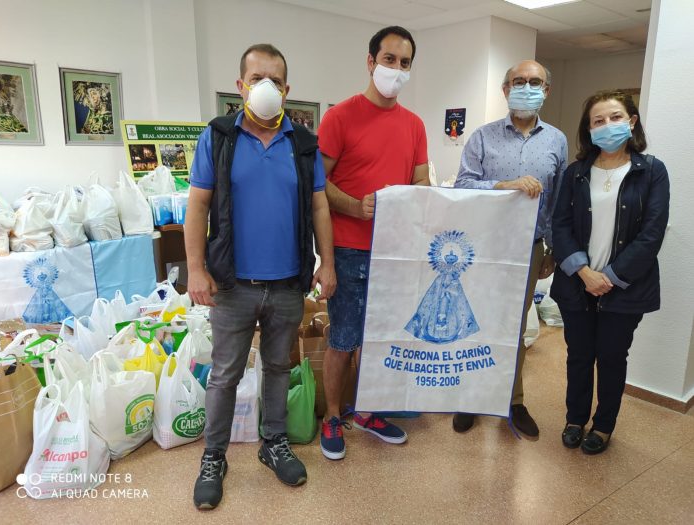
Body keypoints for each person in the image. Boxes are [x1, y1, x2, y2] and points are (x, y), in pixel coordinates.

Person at [185, 43, 336, 509]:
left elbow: (318, 205)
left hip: (288, 282)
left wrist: (326, 263)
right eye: (256, 78)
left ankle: (274, 444)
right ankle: (214, 456)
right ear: (241, 86)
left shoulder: (303, 144)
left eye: (274, 79)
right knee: (225, 374)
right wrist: (194, 269)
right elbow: (198, 204)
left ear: (287, 90)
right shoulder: (220, 137)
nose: (264, 86)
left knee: (277, 367)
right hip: (232, 283)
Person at [317, 26, 429, 460]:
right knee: (343, 339)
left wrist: (411, 199)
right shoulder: (340, 117)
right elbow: (317, 184)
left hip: (395, 251)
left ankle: (366, 411)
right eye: (389, 60)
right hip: (348, 249)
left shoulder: (414, 124)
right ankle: (332, 415)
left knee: (381, 339)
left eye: (404, 64)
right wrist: (354, 206)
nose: (396, 70)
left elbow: (421, 181)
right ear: (370, 61)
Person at [453, 60, 567, 437]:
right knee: (476, 322)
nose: (527, 87)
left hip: (529, 248)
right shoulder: (483, 137)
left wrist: (551, 247)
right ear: (505, 89)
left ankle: (513, 401)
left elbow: (556, 200)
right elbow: (462, 185)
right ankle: (470, 397)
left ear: (546, 91)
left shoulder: (556, 141)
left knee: (515, 328)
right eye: (519, 81)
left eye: (535, 82)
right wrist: (503, 186)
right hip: (482, 249)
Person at [552, 90, 669, 454]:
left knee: (612, 357)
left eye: (615, 118)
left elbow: (652, 233)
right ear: (588, 130)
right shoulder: (576, 173)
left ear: (631, 121)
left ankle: (603, 425)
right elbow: (560, 225)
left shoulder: (651, 171)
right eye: (597, 121)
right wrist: (585, 273)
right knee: (579, 355)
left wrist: (611, 277)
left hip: (625, 288)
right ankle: (575, 418)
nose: (607, 126)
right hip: (577, 284)